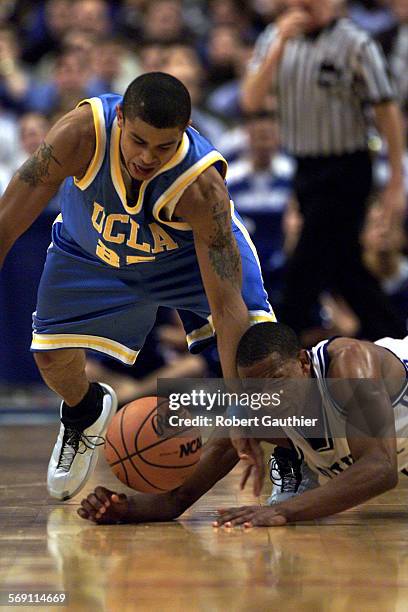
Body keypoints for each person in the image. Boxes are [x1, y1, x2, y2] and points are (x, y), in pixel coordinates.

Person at [0, 72, 275, 501]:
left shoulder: (202, 187)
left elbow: (225, 306)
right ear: (121, 119)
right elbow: (9, 216)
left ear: (184, 133)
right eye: (139, 141)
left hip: (183, 259)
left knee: (263, 357)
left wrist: (243, 407)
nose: (148, 157)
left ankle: (295, 456)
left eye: (164, 147)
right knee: (51, 359)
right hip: (93, 249)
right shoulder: (79, 134)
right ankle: (85, 411)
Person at [78, 321, 408, 526]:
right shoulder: (257, 410)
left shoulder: (349, 366)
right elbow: (178, 498)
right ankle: (297, 469)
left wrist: (286, 511)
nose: (272, 399)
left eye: (279, 381)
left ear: (304, 363)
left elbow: (380, 468)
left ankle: (296, 475)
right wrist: (121, 507)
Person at [241, 0, 407, 342]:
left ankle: (282, 340)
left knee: (307, 264)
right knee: (345, 266)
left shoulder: (356, 42)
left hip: (348, 164)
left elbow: (386, 108)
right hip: (305, 167)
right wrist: (278, 47)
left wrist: (395, 176)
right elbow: (251, 101)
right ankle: (393, 338)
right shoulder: (274, 37)